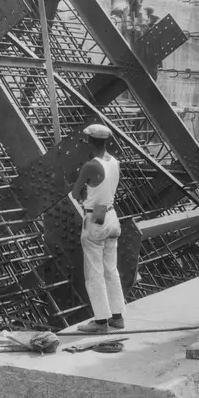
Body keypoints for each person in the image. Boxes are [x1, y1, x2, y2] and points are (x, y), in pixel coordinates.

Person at [69, 123, 125, 334]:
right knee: (112, 270)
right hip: (110, 215)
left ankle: (100, 321)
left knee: (94, 273)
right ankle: (118, 317)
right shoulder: (115, 162)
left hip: (95, 218)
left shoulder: (90, 166)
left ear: (90, 142)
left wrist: (83, 194)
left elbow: (75, 193)